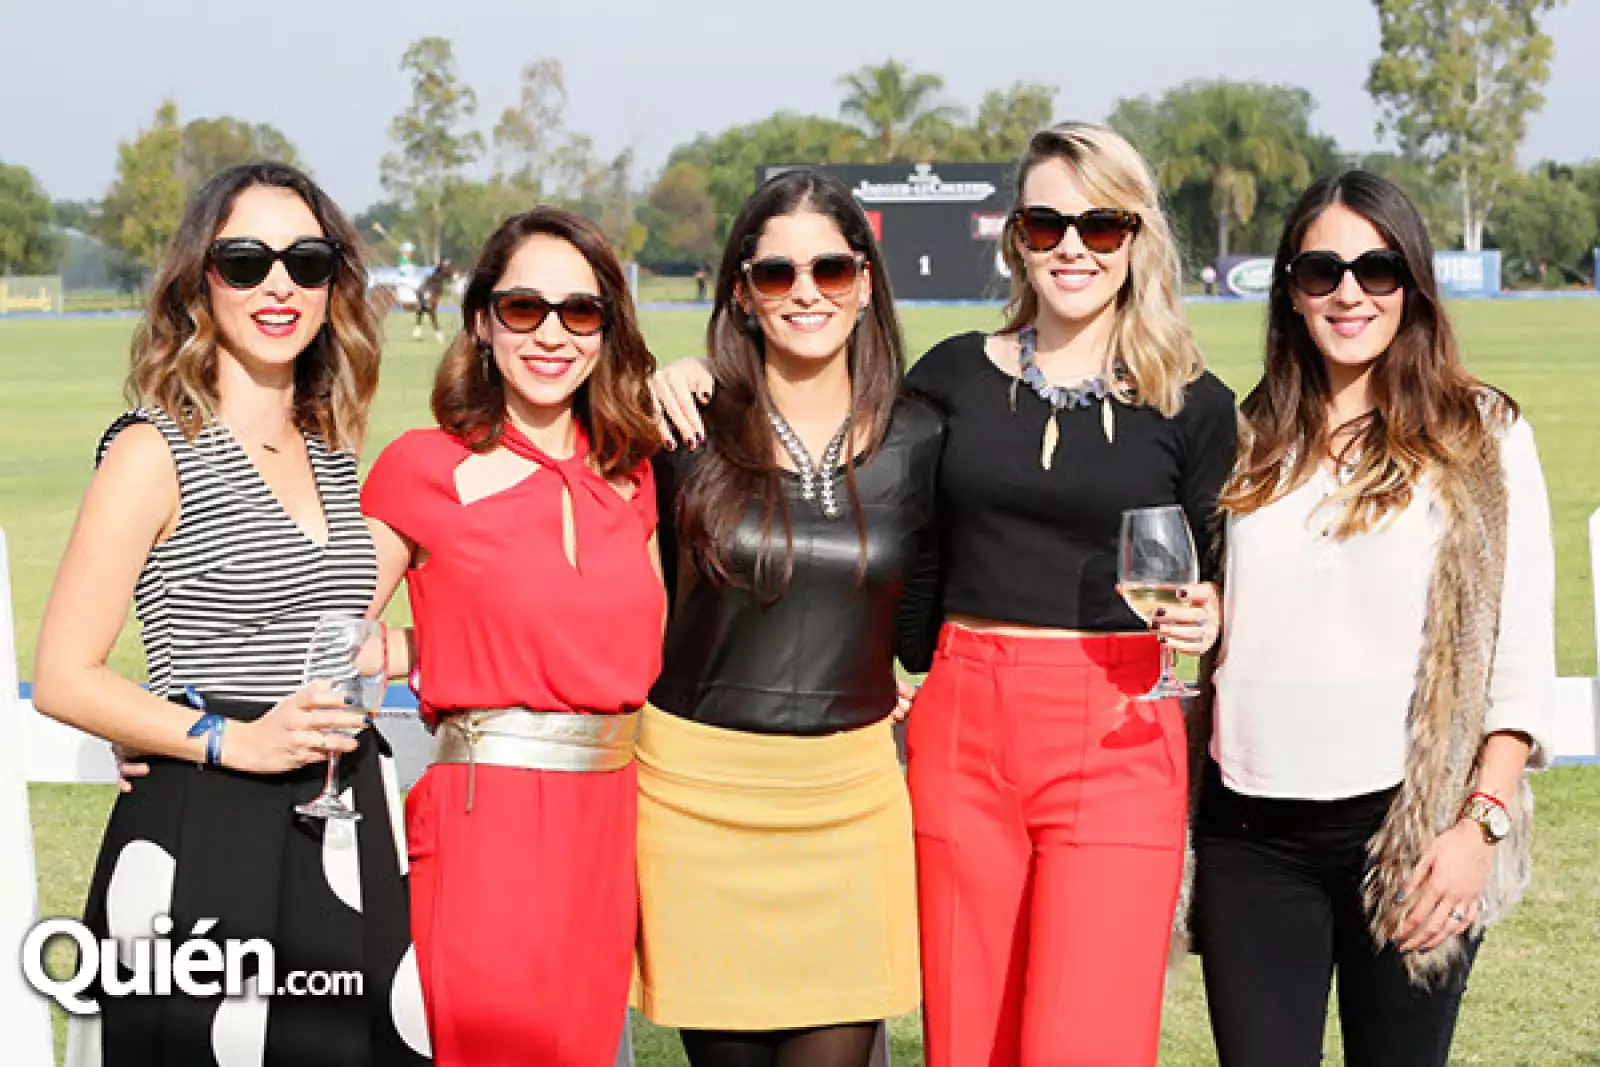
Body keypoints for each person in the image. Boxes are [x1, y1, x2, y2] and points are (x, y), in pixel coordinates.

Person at [648, 123, 1232, 1067]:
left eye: (1100, 225)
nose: (1072, 247)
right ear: (1016, 239)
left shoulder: (1194, 404)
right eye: (1045, 224)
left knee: (1084, 1039)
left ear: (1138, 237)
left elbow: (1231, 576)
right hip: (963, 726)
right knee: (967, 1038)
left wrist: (1213, 611)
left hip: (1120, 728)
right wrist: (695, 376)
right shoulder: (948, 381)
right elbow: (871, 510)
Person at [32, 162, 428, 1066]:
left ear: (334, 284)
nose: (278, 284)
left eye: (306, 261)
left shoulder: (332, 446)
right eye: (245, 260)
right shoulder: (151, 448)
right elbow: (62, 674)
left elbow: (341, 624)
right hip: (208, 824)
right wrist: (229, 739)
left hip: (343, 824)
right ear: (200, 281)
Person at [1190, 170, 1556, 1067]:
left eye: (1377, 269)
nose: (1349, 293)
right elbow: (1228, 612)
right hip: (1250, 839)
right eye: (1322, 271)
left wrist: (1478, 828)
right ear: (1291, 290)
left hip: (1411, 835)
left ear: (1412, 283)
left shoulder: (1484, 435)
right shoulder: (1246, 436)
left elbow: (1519, 663)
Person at [635, 168, 941, 1067]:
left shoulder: (923, 437)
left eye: (830, 269)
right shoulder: (682, 429)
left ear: (866, 282)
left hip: (849, 804)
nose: (806, 293)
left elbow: (926, 625)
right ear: (742, 291)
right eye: (777, 273)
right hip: (697, 803)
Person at [361, 208, 663, 1066]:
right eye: (524, 308)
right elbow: (337, 635)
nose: (552, 334)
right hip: (485, 816)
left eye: (580, 311)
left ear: (606, 328)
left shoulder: (633, 472)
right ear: (483, 322)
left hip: (612, 817)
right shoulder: (421, 467)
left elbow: (636, 643)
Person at [413, 258, 456, 343]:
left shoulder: (443, 274)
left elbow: (450, 278)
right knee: (428, 312)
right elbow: (425, 286)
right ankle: (438, 334)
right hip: (427, 295)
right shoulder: (434, 275)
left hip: (430, 295)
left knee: (423, 313)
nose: (447, 267)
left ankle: (419, 332)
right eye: (446, 265)